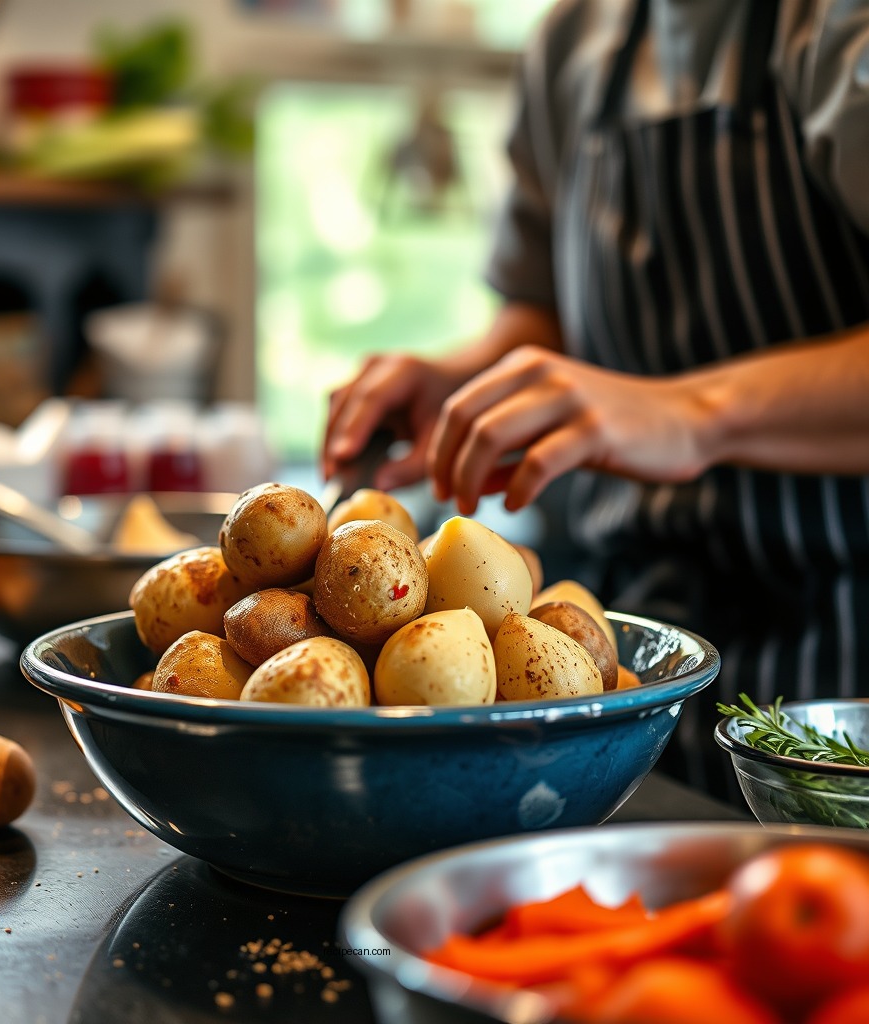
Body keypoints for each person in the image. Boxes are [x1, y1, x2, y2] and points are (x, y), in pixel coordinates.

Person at [322, 0, 869, 802]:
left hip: (838, 664)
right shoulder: (575, 42)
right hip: (622, 666)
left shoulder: (836, 28)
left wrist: (690, 414)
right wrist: (468, 376)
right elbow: (542, 311)